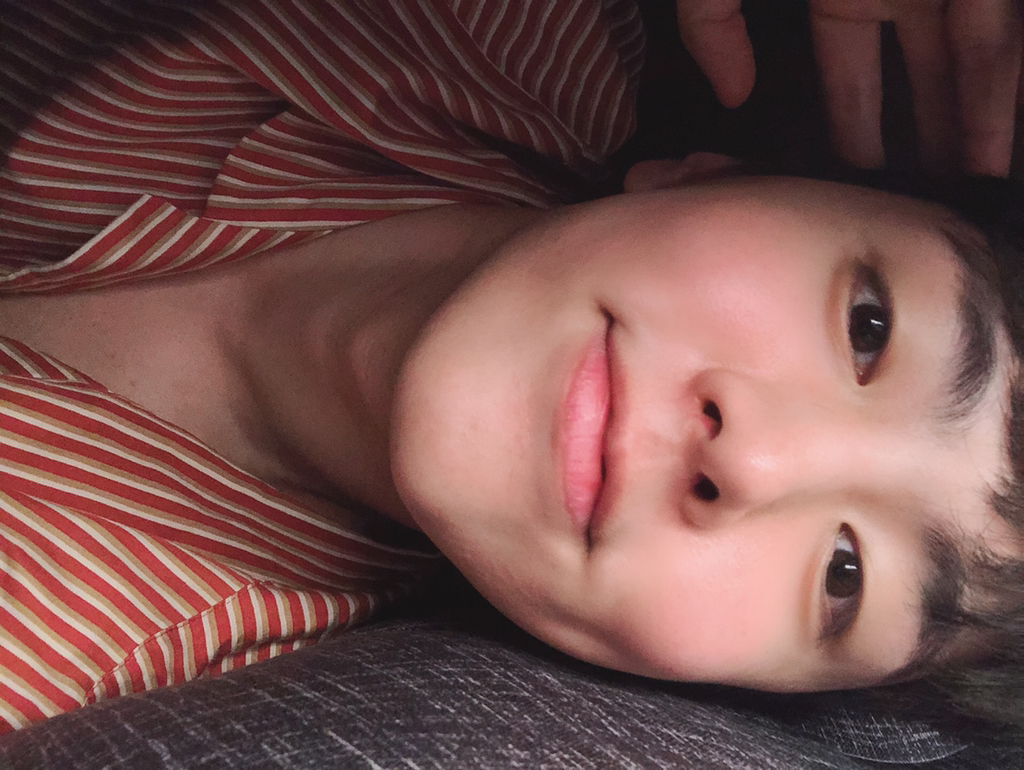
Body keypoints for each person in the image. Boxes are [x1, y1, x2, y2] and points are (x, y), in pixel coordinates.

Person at [0, 0, 1022, 738]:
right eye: (868, 326)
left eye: (844, 576)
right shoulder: (499, 28)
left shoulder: (65, 669)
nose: (753, 459)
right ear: (727, 172)